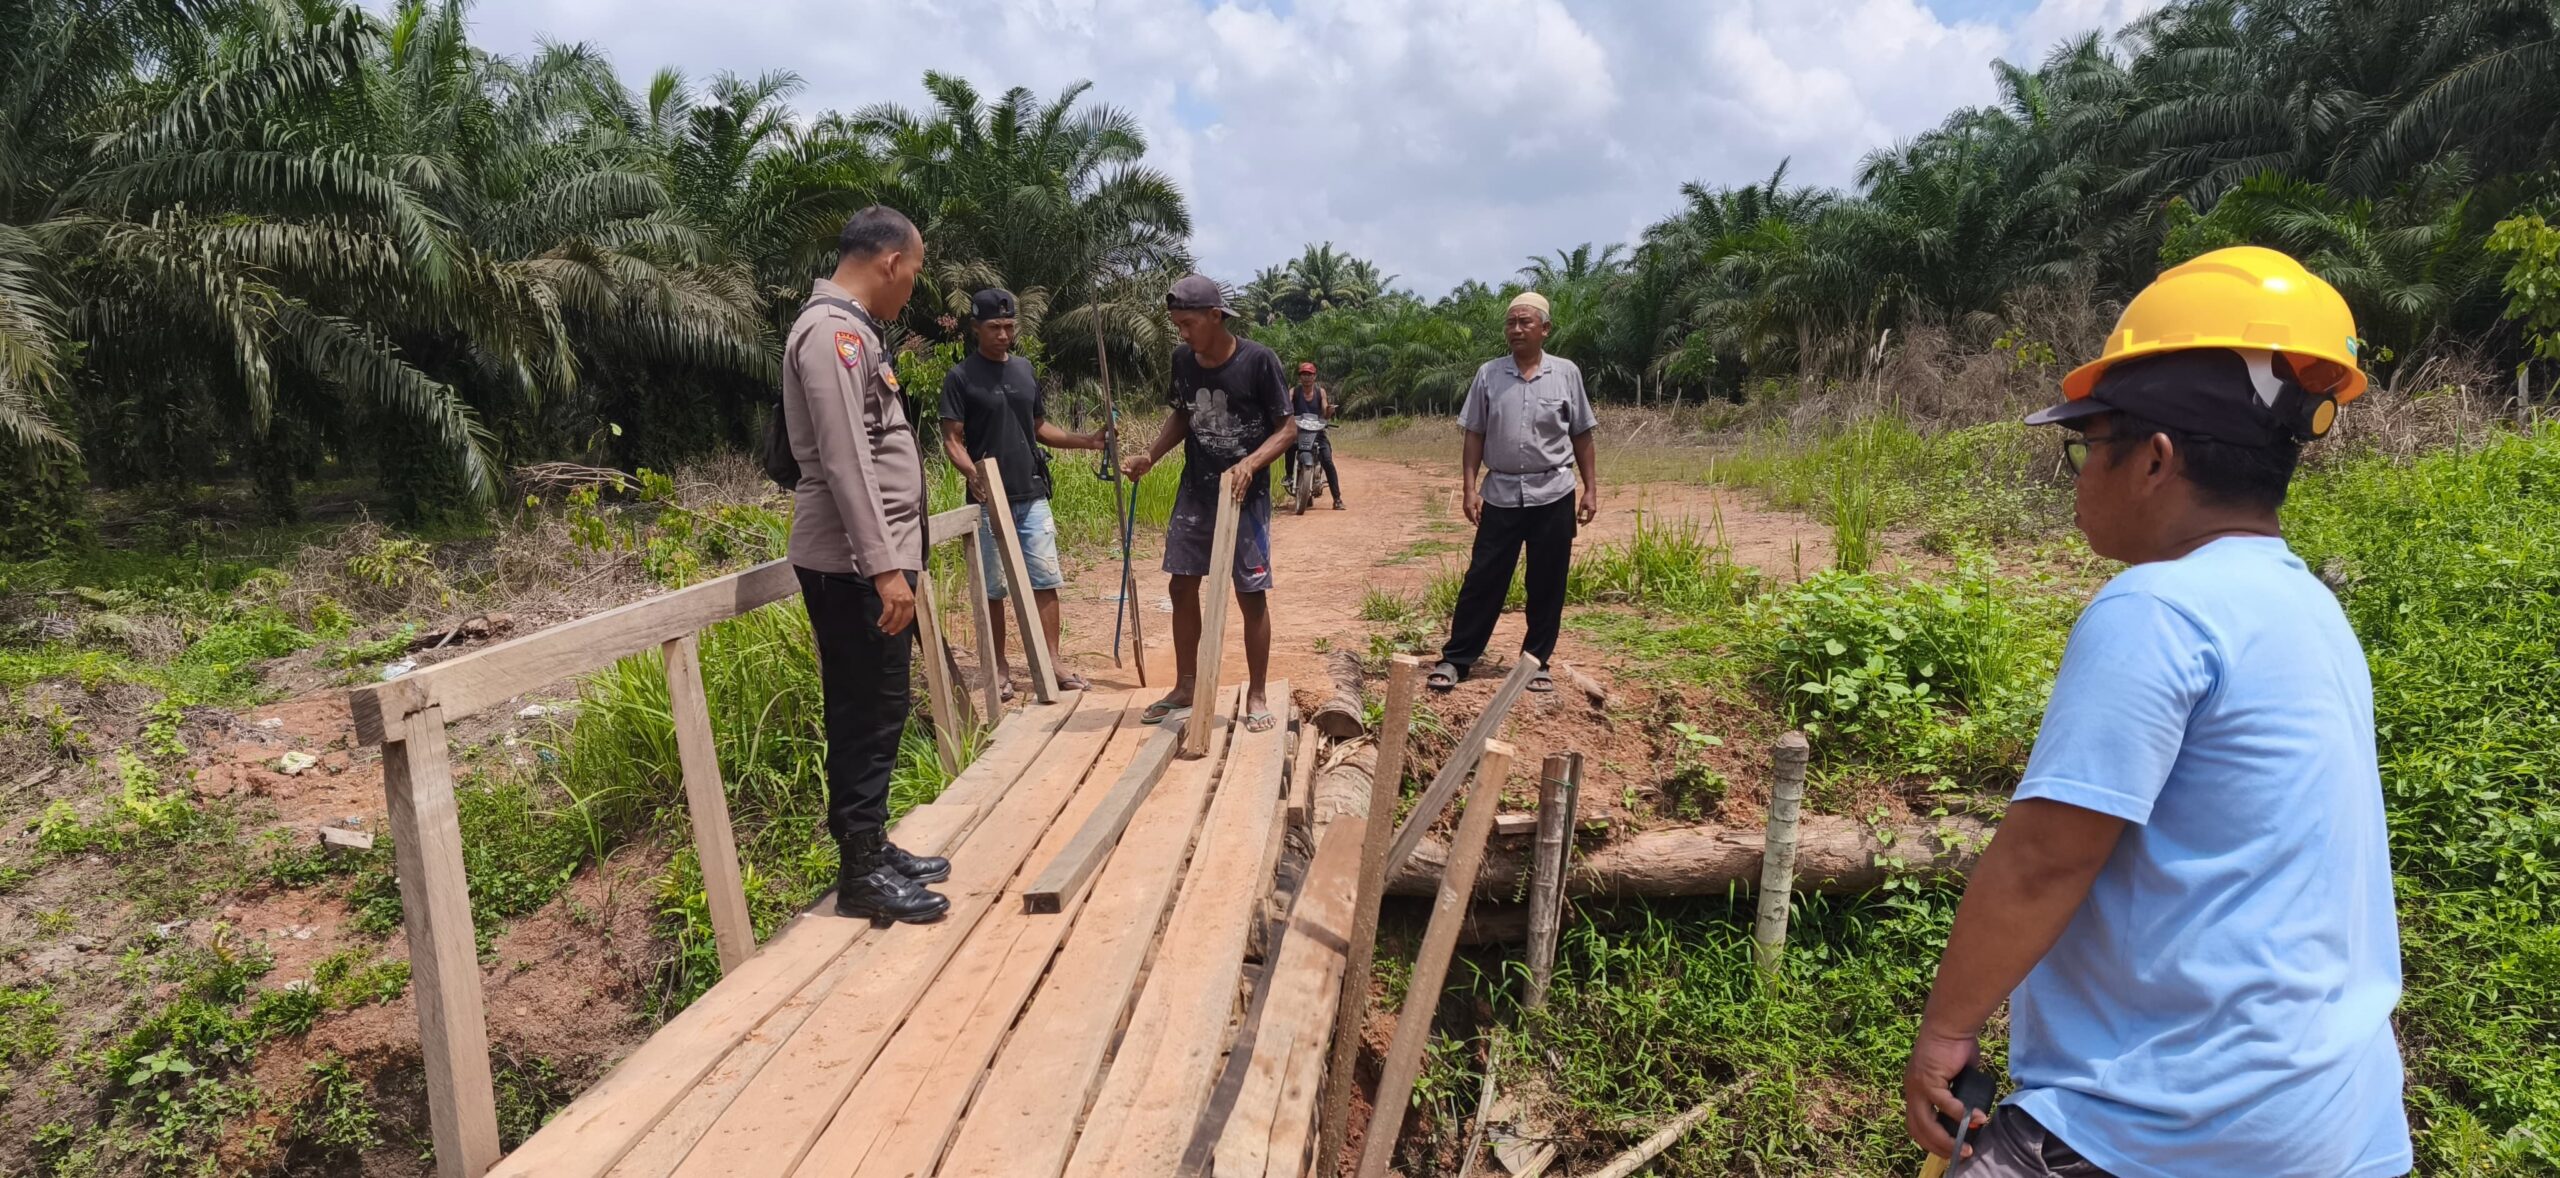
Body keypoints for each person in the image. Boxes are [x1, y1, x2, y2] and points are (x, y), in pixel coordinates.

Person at [1901, 246, 2409, 1178]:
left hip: (2176, 1120)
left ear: (2154, 459)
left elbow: (2046, 858)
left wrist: (1944, 1035)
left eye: (2087, 446)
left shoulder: (2155, 607)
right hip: (2345, 1118)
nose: (2080, 473)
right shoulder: (2307, 606)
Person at [780, 206, 951, 927]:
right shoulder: (832, 336)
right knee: (861, 709)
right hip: (854, 566)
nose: (912, 287)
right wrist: (885, 569)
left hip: (870, 561)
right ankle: (860, 873)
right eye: (914, 272)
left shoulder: (854, 332)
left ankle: (873, 847)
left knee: (882, 709)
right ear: (890, 262)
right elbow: (847, 460)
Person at [1120, 274, 1295, 734]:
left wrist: (1250, 464)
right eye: (1177, 324)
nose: (1182, 333)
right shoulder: (1184, 360)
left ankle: (1256, 692)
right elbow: (1183, 413)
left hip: (1245, 495)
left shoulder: (1259, 361)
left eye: (1188, 323)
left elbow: (1287, 429)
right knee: (1181, 587)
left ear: (1216, 317)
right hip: (1197, 490)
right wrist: (1150, 458)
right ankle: (1185, 685)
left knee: (1250, 594)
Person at [938, 287, 1108, 696]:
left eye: (1009, 326)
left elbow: (1038, 428)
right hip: (987, 501)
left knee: (1045, 578)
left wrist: (1089, 440)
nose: (1002, 334)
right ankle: (998, 668)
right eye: (994, 327)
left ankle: (1051, 663)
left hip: (1031, 494)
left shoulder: (1025, 370)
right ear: (976, 328)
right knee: (994, 587)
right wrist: (973, 475)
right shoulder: (961, 377)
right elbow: (952, 439)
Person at [1426, 291, 1596, 696]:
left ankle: (1535, 663)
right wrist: (1469, 488)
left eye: (1525, 322)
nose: (1516, 329)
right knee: (1484, 577)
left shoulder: (1566, 373)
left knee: (1547, 580)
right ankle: (1457, 658)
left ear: (1545, 329)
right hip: (1500, 491)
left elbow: (1582, 434)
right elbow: (1474, 434)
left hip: (1554, 491)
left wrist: (1591, 488)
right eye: (1511, 323)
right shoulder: (1489, 374)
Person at [1283, 361, 1343, 509]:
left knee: (1327, 461)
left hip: (1317, 432)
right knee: (1289, 446)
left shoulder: (1320, 392)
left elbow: (1324, 411)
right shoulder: (1294, 392)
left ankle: (1337, 499)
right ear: (1300, 377)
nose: (1306, 377)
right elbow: (1287, 405)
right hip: (1299, 431)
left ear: (1314, 376)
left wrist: (1329, 410)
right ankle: (1289, 475)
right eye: (1304, 374)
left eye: (1309, 374)